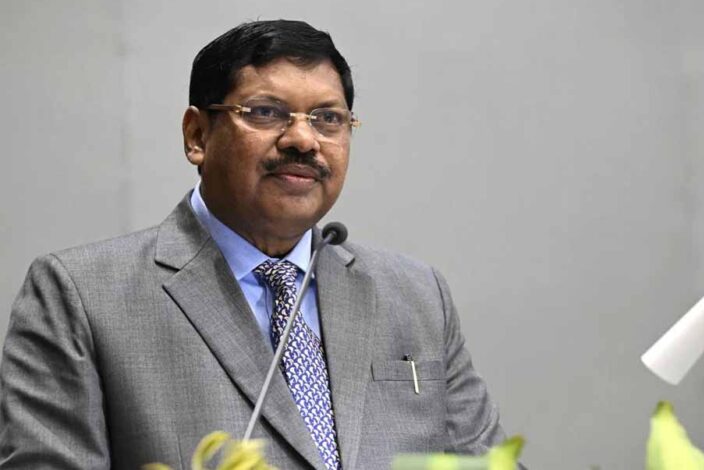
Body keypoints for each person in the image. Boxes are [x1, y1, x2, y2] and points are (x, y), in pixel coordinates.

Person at [0, 20, 512, 469]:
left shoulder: (416, 295)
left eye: (328, 118)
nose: (303, 140)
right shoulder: (82, 297)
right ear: (197, 135)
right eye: (267, 112)